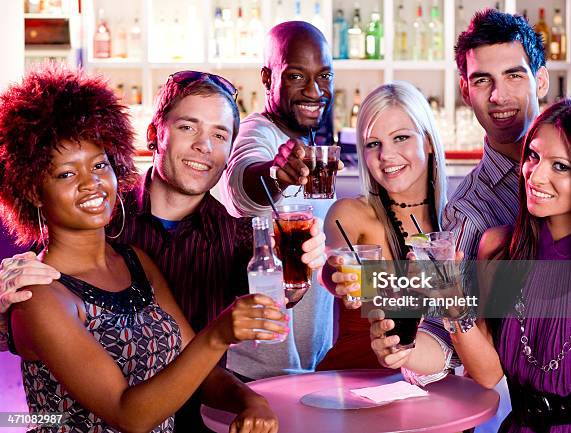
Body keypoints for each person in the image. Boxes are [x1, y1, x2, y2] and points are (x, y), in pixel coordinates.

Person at [0, 68, 326, 432]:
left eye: (219, 134)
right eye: (189, 127)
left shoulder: (147, 257)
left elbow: (280, 294)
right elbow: (125, 413)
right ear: (155, 134)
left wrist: (304, 269)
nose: (204, 145)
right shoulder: (66, 245)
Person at [369, 9, 550, 432]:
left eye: (514, 75)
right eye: (483, 80)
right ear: (465, 91)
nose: (499, 96)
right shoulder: (466, 211)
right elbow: (442, 327)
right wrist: (403, 351)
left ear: (540, 79)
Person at [453, 98, 571, 432]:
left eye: (560, 166)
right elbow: (487, 372)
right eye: (533, 156)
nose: (535, 176)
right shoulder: (497, 249)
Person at [316, 81, 460, 377]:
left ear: (429, 142)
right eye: (373, 144)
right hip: (354, 390)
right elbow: (332, 265)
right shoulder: (351, 214)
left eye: (401, 138)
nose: (386, 155)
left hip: (431, 398)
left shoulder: (455, 225)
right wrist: (340, 275)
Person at [218, 21, 336, 380]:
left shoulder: (312, 146)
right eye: (297, 77)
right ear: (268, 79)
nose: (315, 91)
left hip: (304, 366)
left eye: (325, 76)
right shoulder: (258, 134)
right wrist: (274, 173)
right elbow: (242, 185)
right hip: (256, 372)